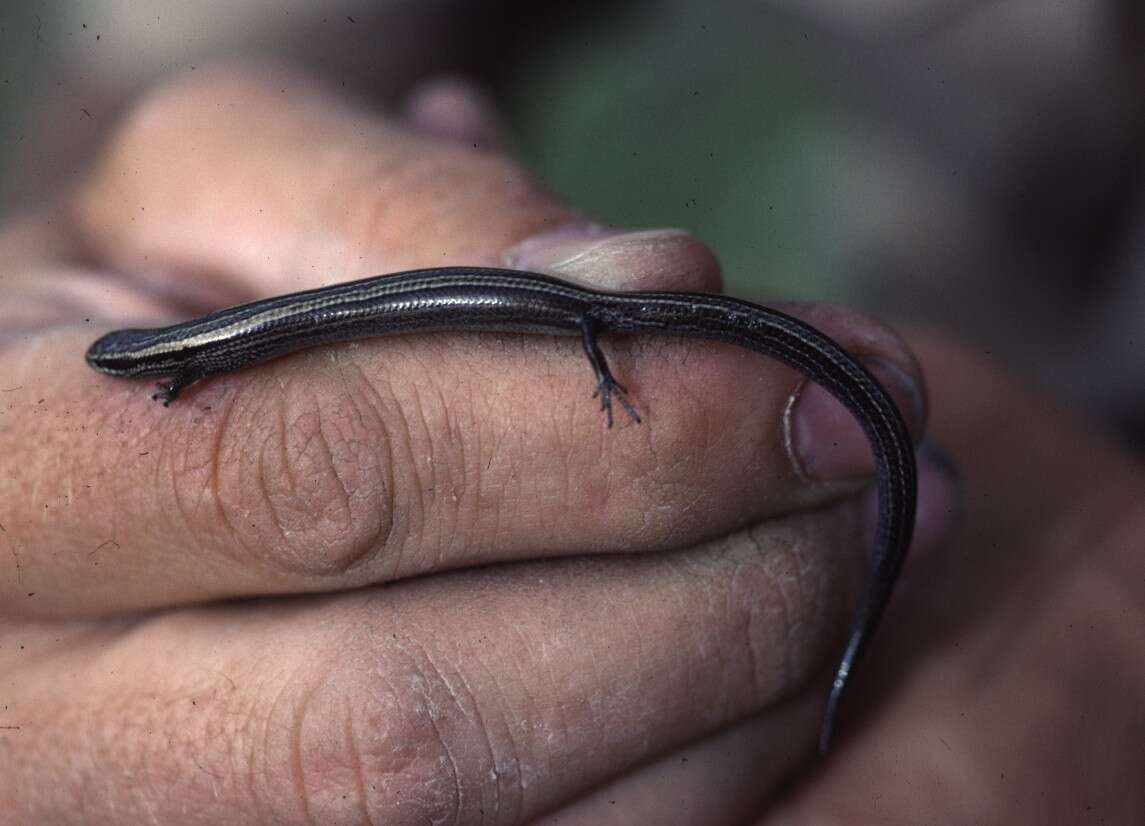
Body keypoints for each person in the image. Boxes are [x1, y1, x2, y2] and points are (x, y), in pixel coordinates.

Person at [0, 66, 1141, 825]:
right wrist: (96, 224)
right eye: (140, 366)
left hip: (575, 312)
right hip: (573, 316)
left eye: (140, 364)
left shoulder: (187, 360)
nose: (139, 371)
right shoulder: (191, 354)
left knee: (618, 323)